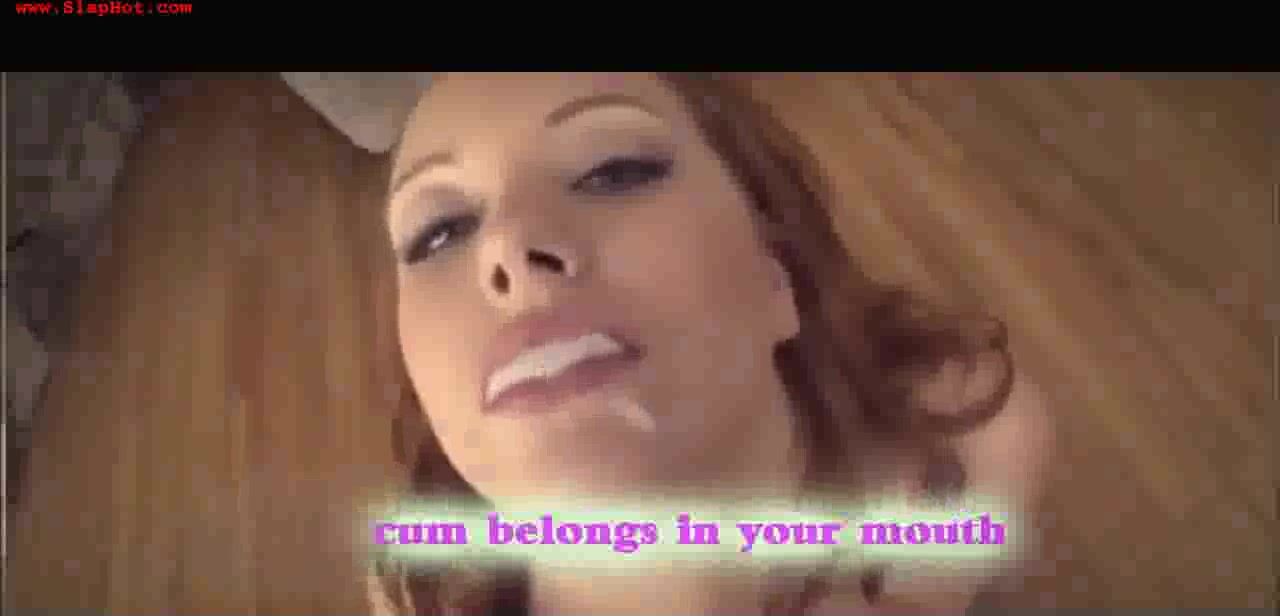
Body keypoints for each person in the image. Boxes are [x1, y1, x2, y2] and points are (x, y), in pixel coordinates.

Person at [368, 72, 1053, 616]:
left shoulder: (969, 440)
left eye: (612, 170)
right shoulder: (424, 586)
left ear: (775, 274)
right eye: (437, 232)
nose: (506, 246)